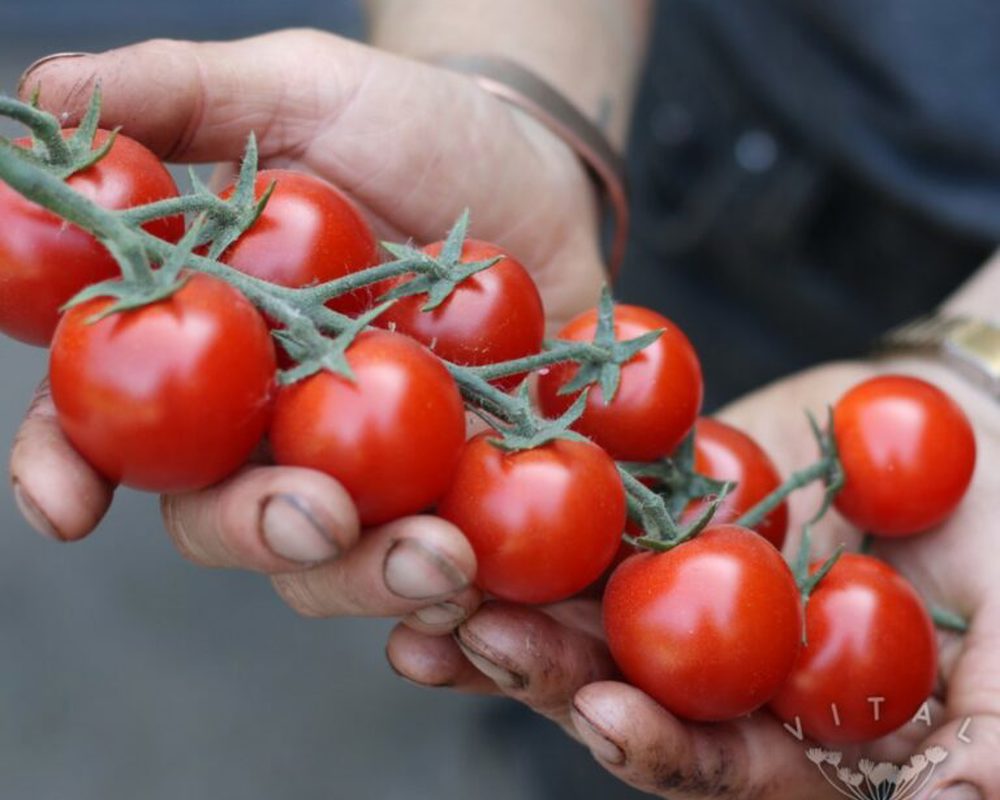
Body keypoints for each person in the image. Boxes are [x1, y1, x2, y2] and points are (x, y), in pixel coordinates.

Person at [10, 2, 1000, 797]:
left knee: (575, 641)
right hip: (704, 137)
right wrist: (508, 93)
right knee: (574, 672)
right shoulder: (530, 364)